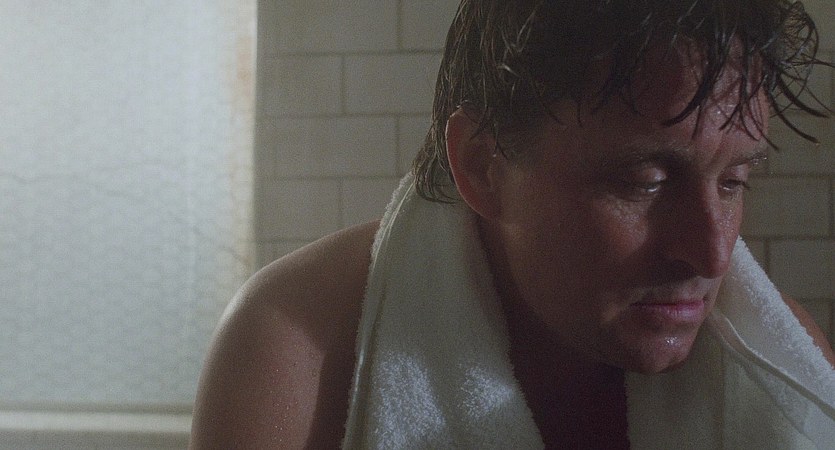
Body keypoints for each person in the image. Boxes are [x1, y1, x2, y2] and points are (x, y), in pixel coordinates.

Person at [190, 0, 835, 448]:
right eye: (643, 181)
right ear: (481, 166)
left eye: (733, 182)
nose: (713, 253)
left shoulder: (787, 378)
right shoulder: (296, 359)